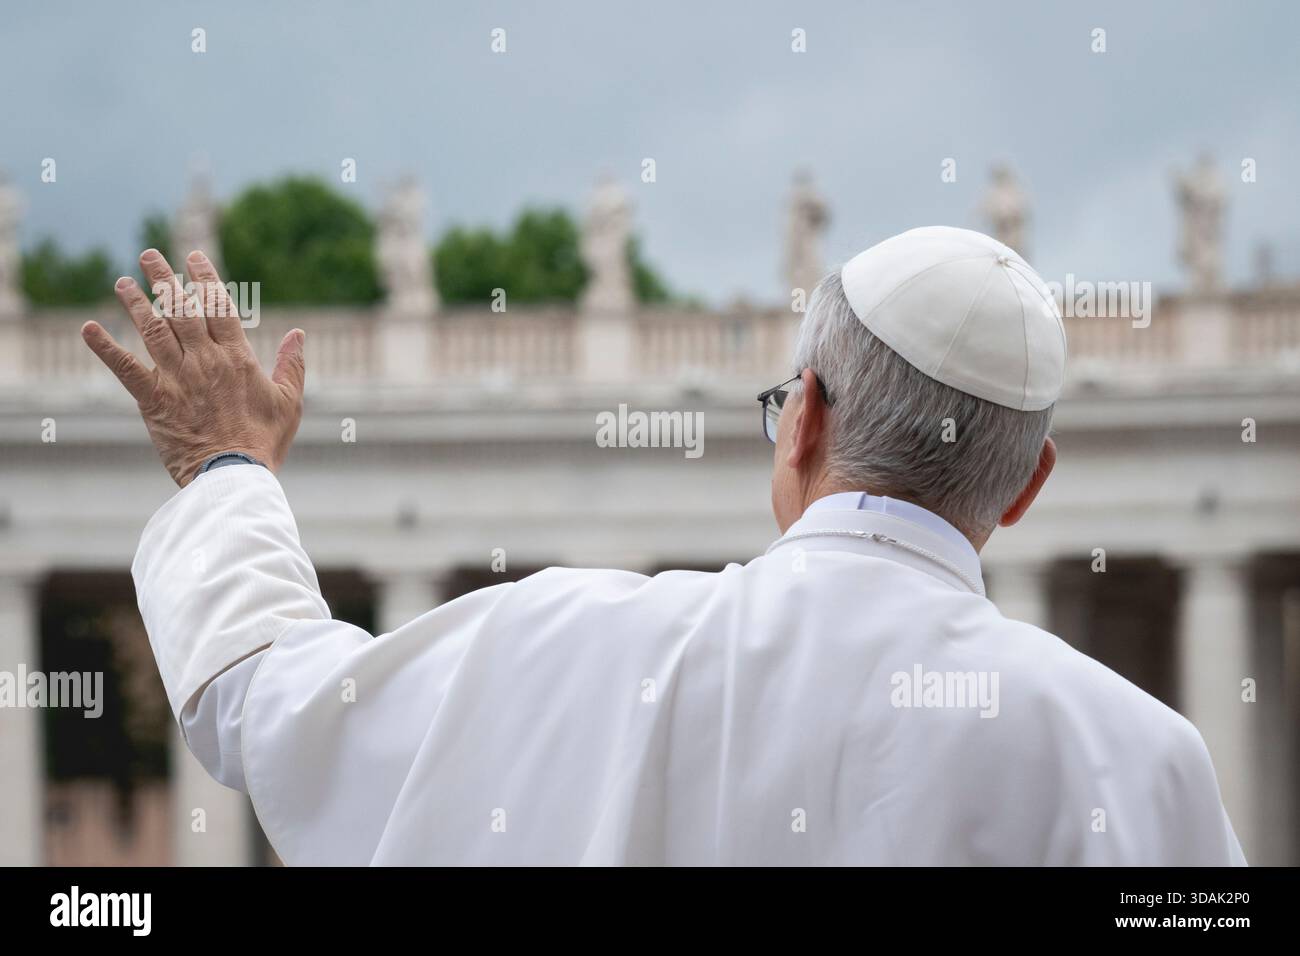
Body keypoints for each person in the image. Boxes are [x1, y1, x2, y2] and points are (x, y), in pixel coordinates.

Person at [81, 228, 1246, 865]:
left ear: (803, 417)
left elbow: (256, 695)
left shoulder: (565, 642)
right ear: (1029, 485)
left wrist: (223, 463)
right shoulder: (1142, 760)